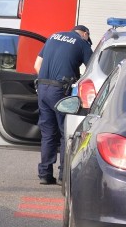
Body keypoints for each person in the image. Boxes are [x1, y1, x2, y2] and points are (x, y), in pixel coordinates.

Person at [34, 24, 93, 185]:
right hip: (60, 91)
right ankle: (63, 176)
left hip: (42, 88)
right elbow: (92, 71)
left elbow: (36, 65)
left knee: (47, 133)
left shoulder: (53, 36)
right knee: (65, 133)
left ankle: (45, 174)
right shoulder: (82, 43)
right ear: (85, 34)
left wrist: (48, 84)